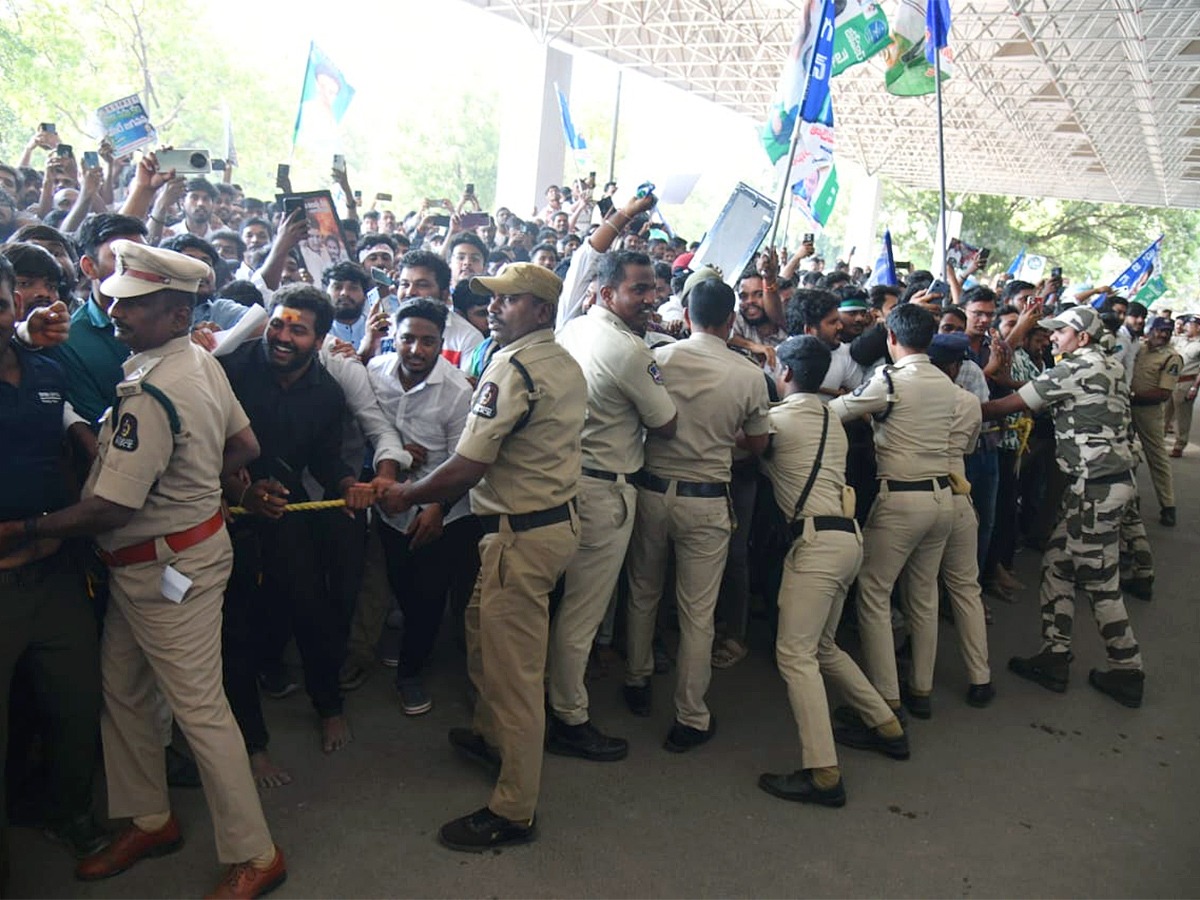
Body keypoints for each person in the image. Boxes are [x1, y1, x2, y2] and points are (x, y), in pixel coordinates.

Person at [0, 241, 287, 897]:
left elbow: (108, 507)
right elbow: (243, 445)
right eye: (117, 297)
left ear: (176, 311)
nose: (115, 308)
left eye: (133, 303)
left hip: (165, 569)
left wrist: (25, 530)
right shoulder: (194, 362)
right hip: (159, 563)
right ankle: (152, 818)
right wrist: (198, 480)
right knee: (123, 691)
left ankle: (256, 853)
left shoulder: (154, 387)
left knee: (199, 713)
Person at [379, 263, 586, 851]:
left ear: (541, 310)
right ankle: (491, 737)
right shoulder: (558, 358)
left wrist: (410, 493)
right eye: (493, 299)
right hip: (541, 526)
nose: (493, 308)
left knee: (515, 673)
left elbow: (469, 464)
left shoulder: (513, 366)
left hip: (520, 536)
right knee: (480, 630)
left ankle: (514, 809)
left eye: (510, 300)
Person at [218, 284, 376, 779]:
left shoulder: (328, 392)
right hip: (224, 513)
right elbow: (197, 445)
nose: (283, 337)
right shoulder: (232, 368)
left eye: (298, 330)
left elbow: (328, 458)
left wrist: (349, 483)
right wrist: (236, 491)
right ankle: (254, 744)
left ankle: (328, 707)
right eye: (278, 324)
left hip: (286, 511)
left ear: (321, 339)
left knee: (312, 610)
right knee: (237, 629)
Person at [756, 336, 909, 808]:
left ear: (784, 374)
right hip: (847, 541)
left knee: (795, 656)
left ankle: (822, 772)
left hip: (816, 546)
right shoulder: (832, 418)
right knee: (823, 647)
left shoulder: (777, 420)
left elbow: (754, 451)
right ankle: (886, 725)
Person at [622, 277, 770, 750]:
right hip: (706, 500)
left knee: (644, 590)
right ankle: (690, 715)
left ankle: (637, 680)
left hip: (650, 489)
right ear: (732, 321)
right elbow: (761, 444)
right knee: (698, 612)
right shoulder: (747, 374)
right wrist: (723, 437)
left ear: (686, 316)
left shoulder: (658, 359)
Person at [0, 254, 108, 885]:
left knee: (74, 704)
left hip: (56, 573)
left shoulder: (44, 370)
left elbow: (82, 440)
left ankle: (70, 814)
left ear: (16, 303)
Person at [548, 250, 678, 761]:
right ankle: (569, 717)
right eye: (639, 289)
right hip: (603, 492)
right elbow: (666, 424)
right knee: (582, 613)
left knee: (558, 604)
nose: (652, 299)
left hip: (563, 479)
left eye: (653, 288)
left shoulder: (576, 329)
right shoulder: (629, 350)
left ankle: (547, 698)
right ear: (605, 293)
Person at [982, 306, 1145, 709]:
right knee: (1057, 563)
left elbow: (1010, 406)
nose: (1054, 337)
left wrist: (948, 405)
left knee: (1099, 581)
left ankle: (1127, 669)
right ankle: (1054, 656)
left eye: (1061, 332)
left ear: (1082, 338)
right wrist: (1008, 380)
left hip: (1096, 490)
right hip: (1106, 486)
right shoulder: (1107, 366)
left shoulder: (1073, 369)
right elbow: (1045, 389)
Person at [828, 303, 958, 721]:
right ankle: (920, 688)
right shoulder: (944, 381)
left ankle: (885, 700)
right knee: (923, 595)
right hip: (943, 499)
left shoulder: (890, 380)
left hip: (902, 499)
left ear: (892, 340)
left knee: (873, 591)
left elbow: (837, 412)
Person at [366, 298, 474, 715]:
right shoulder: (376, 372)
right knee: (403, 589)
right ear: (394, 335)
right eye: (408, 338)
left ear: (441, 343)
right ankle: (412, 639)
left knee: (430, 597)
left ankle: (410, 674)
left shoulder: (457, 392)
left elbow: (462, 461)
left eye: (428, 341)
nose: (416, 349)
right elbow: (372, 424)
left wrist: (438, 509)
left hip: (444, 512)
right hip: (391, 510)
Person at [925, 333, 994, 706]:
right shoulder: (969, 402)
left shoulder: (909, 393)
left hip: (918, 494)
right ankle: (980, 677)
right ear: (955, 366)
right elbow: (969, 448)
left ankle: (918, 678)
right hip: (958, 494)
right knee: (966, 588)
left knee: (921, 590)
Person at [1129, 316, 1182, 525]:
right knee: (1124, 454)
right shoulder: (1138, 347)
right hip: (1127, 408)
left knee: (1157, 459)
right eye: (1159, 330)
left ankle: (1168, 506)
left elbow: (1163, 393)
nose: (1163, 335)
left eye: (1167, 332)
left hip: (1149, 412)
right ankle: (1130, 501)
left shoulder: (1172, 358)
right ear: (1150, 330)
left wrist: (1131, 395)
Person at [1167, 314, 1200, 456]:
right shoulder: (1180, 340)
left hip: (1187, 382)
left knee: (1182, 416)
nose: (1187, 327)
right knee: (1164, 413)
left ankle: (1179, 444)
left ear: (1198, 328)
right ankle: (1158, 440)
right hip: (1171, 380)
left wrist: (1195, 386)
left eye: (1190, 325)